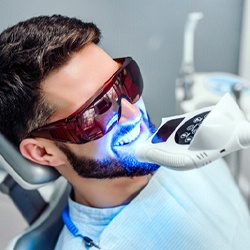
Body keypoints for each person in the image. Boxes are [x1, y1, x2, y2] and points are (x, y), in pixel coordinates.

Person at [0, 15, 249, 250]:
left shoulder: (188, 141)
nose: (133, 113)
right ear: (43, 152)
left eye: (125, 81)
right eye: (98, 109)